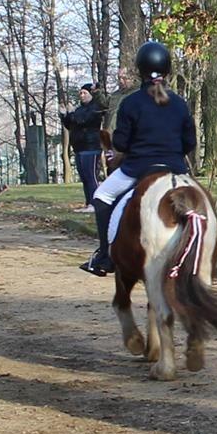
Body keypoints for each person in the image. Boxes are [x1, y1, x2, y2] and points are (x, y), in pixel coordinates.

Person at [85, 41, 199, 275]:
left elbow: (122, 143)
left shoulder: (131, 103)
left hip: (138, 168)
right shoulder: (179, 103)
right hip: (175, 169)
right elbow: (190, 143)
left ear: (140, 70)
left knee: (102, 195)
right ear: (167, 70)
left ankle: (105, 256)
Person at [61, 82, 107, 199]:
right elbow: (71, 125)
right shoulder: (79, 109)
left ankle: (95, 202)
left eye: (84, 93)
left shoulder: (95, 108)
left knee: (91, 176)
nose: (81, 95)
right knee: (85, 178)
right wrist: (64, 116)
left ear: (90, 94)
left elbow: (83, 121)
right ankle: (88, 203)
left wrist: (71, 114)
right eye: (80, 93)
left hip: (91, 147)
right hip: (79, 147)